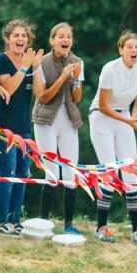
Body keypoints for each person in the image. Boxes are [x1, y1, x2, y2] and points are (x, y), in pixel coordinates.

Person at [89, 30, 137, 245]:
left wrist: (134, 120)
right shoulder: (110, 69)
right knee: (108, 170)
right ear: (121, 50)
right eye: (129, 47)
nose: (134, 50)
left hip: (124, 116)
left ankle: (136, 229)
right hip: (101, 117)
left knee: (131, 171)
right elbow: (104, 106)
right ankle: (101, 227)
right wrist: (128, 121)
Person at [31, 22, 85, 236]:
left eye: (68, 37)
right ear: (52, 41)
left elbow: (77, 98)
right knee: (51, 171)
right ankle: (44, 222)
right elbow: (43, 97)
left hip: (68, 119)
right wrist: (62, 77)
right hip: (46, 120)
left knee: (71, 171)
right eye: (61, 36)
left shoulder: (77, 61)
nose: (65, 40)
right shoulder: (43, 62)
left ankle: (68, 224)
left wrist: (75, 81)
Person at [0, 19, 42, 235]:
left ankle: (15, 220)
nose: (20, 39)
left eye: (24, 36)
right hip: (3, 128)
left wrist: (36, 69)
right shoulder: (1, 61)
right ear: (7, 39)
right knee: (7, 173)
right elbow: (9, 88)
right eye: (16, 35)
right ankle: (1, 221)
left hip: (24, 127)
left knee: (22, 174)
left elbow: (39, 93)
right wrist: (24, 67)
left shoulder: (29, 63)